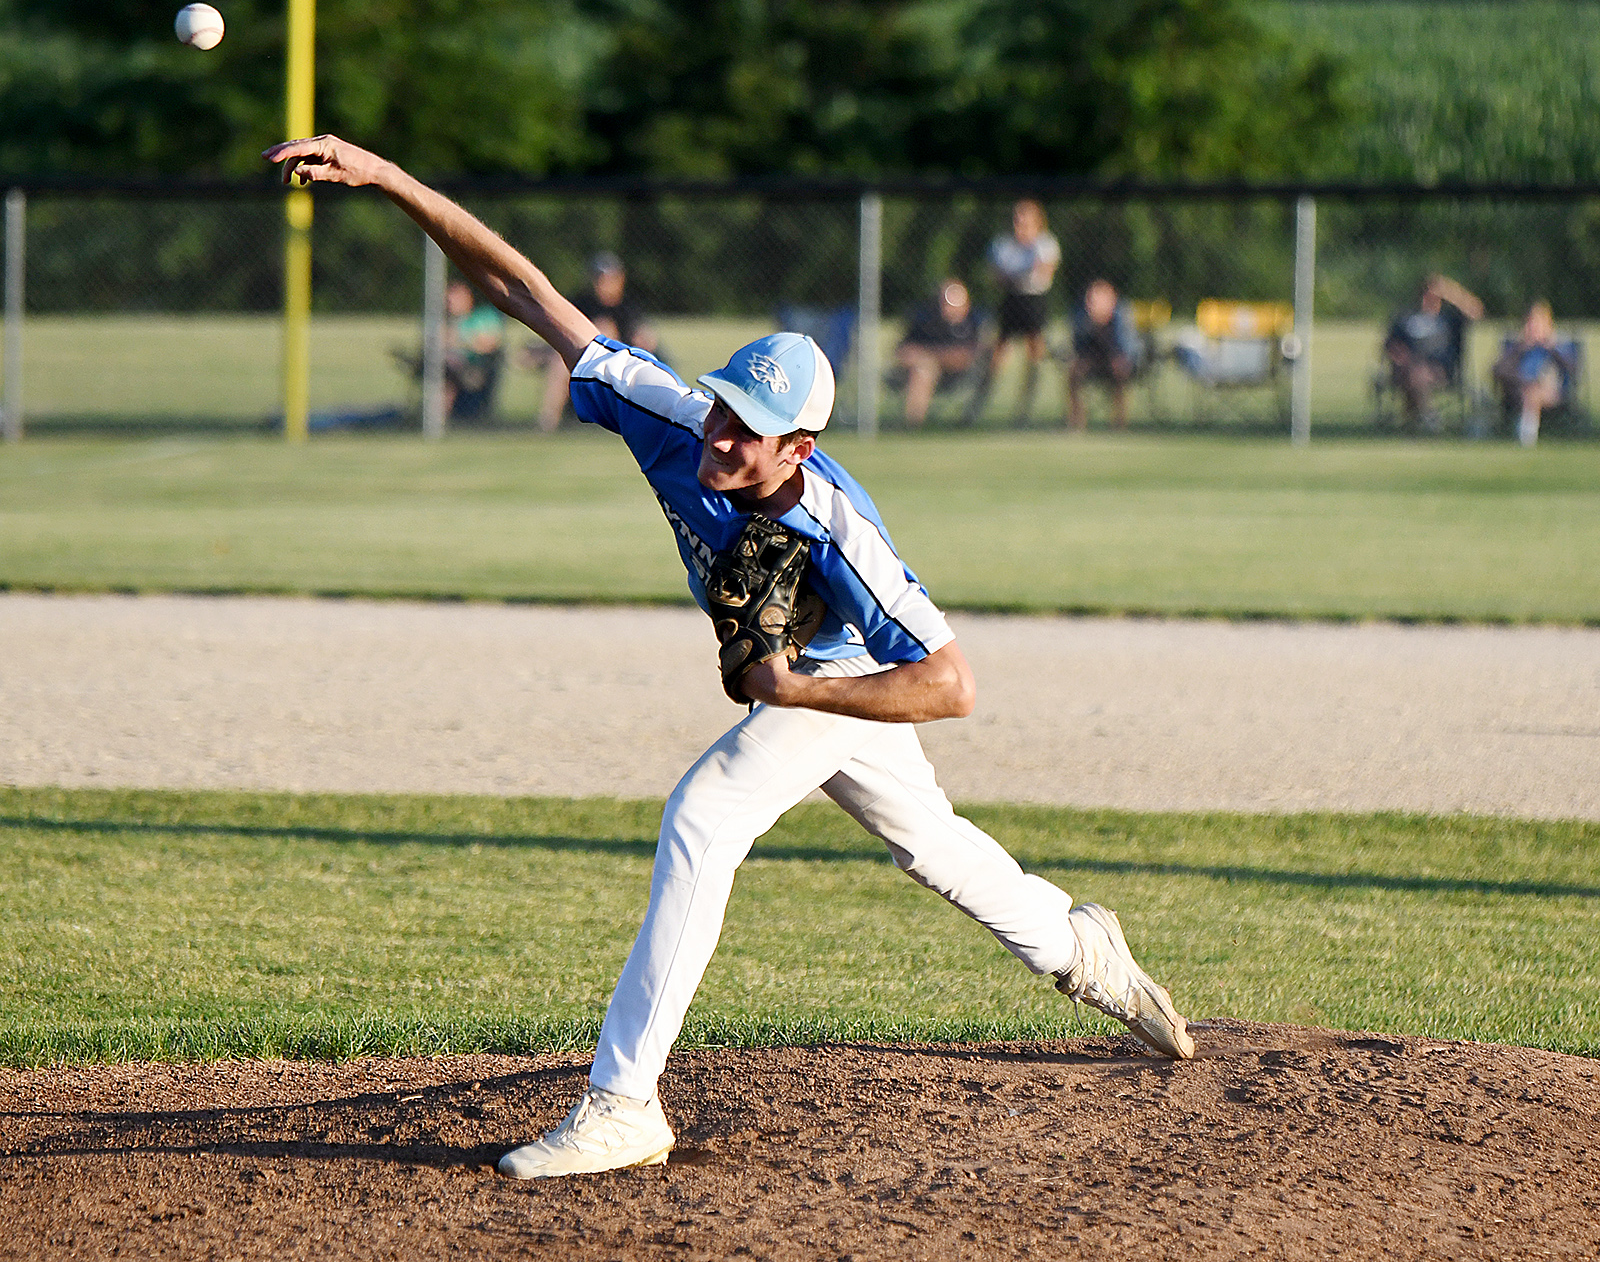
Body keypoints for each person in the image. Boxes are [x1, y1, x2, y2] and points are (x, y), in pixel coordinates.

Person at [265, 133, 1195, 1181]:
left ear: (796, 446)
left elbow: (953, 683)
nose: (718, 435)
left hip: (837, 679)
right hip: (812, 685)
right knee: (933, 849)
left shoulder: (839, 529)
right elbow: (522, 287)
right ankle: (1083, 954)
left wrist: (795, 689)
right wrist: (389, 179)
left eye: (747, 427)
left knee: (702, 818)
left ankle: (622, 1104)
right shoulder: (671, 416)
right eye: (721, 406)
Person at [539, 253, 661, 432]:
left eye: (610, 279)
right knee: (559, 363)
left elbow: (645, 340)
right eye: (600, 279)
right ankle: (548, 423)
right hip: (581, 363)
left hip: (620, 367)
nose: (604, 284)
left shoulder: (628, 307)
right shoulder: (582, 303)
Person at [966, 200, 1060, 426]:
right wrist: (1020, 273)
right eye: (1017, 218)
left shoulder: (1045, 243)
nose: (1020, 223)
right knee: (998, 355)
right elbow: (997, 276)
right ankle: (976, 408)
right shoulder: (1003, 244)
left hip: (1034, 301)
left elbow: (1044, 271)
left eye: (1026, 218)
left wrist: (1016, 274)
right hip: (1011, 301)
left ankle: (1025, 410)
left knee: (1035, 354)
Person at [1383, 274, 1484, 432]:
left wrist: (1450, 291)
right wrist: (1401, 358)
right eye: (1424, 295)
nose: (1426, 300)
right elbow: (1390, 345)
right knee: (1414, 372)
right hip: (1406, 368)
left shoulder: (1450, 318)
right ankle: (1425, 417)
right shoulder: (1405, 318)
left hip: (1440, 370)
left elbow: (1476, 312)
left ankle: (1424, 417)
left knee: (1418, 374)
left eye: (1433, 297)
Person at [894, 279, 983, 427]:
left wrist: (930, 356)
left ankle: (912, 423)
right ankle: (913, 423)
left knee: (924, 366)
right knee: (923, 370)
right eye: (945, 300)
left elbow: (966, 355)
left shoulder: (970, 324)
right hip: (918, 370)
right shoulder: (926, 322)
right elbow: (904, 350)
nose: (948, 306)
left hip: (956, 376)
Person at [1492, 300, 1576, 447]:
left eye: (1538, 322)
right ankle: (1526, 433)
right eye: (1530, 323)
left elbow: (1572, 369)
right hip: (1519, 390)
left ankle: (1526, 438)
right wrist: (1520, 349)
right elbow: (1498, 370)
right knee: (1530, 390)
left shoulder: (1559, 344)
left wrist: (1551, 347)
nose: (1534, 327)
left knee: (1533, 392)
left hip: (1551, 392)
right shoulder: (1518, 346)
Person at [1066, 279, 1141, 431]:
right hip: (1092, 359)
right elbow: (1078, 344)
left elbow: (1126, 347)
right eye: (1091, 299)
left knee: (1120, 369)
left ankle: (1119, 422)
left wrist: (1117, 357)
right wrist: (1092, 322)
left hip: (1116, 358)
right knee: (1074, 371)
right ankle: (1077, 421)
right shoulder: (1081, 313)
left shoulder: (1121, 313)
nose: (1093, 303)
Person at [443, 280, 506, 422]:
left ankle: (439, 419)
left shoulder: (484, 316)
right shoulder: (448, 321)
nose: (451, 303)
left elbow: (488, 345)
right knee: (446, 367)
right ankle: (438, 418)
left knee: (450, 368)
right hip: (450, 365)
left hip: (477, 368)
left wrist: (461, 342)